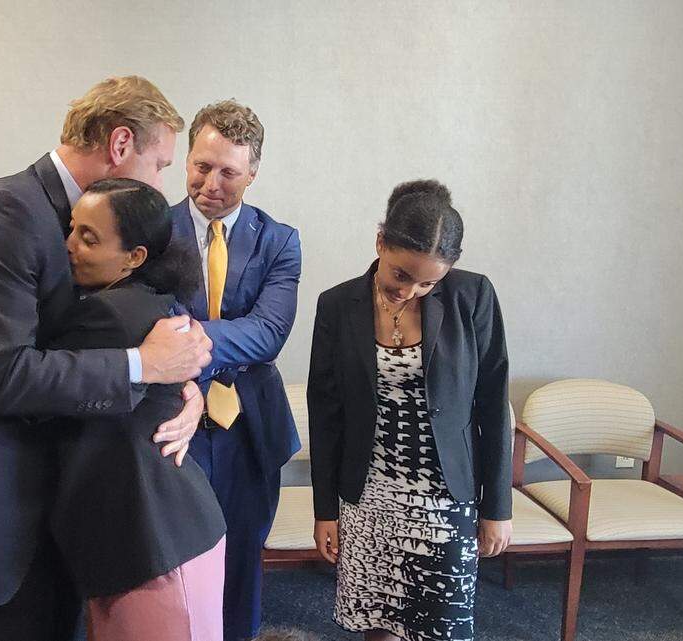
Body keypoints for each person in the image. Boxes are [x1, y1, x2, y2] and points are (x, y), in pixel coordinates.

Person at [0, 76, 213, 641]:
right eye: (159, 163)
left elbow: (144, 319)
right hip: (0, 496)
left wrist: (185, 383)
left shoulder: (104, 221)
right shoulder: (2, 214)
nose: (162, 181)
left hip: (65, 486)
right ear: (119, 145)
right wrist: (141, 367)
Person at [307, 180, 512, 641]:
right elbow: (326, 416)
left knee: (442, 626)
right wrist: (326, 510)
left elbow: (493, 407)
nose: (412, 290)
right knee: (377, 626)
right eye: (401, 275)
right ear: (381, 242)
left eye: (428, 282)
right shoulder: (337, 305)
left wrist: (497, 506)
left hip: (445, 497)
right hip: (368, 494)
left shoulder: (472, 297)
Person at [171, 100, 302, 641]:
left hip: (250, 425)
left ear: (253, 171)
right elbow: (145, 319)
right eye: (202, 166)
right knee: (177, 560)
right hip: (173, 419)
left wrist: (186, 340)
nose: (212, 183)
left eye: (229, 171)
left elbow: (269, 332)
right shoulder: (152, 231)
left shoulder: (280, 240)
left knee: (243, 556)